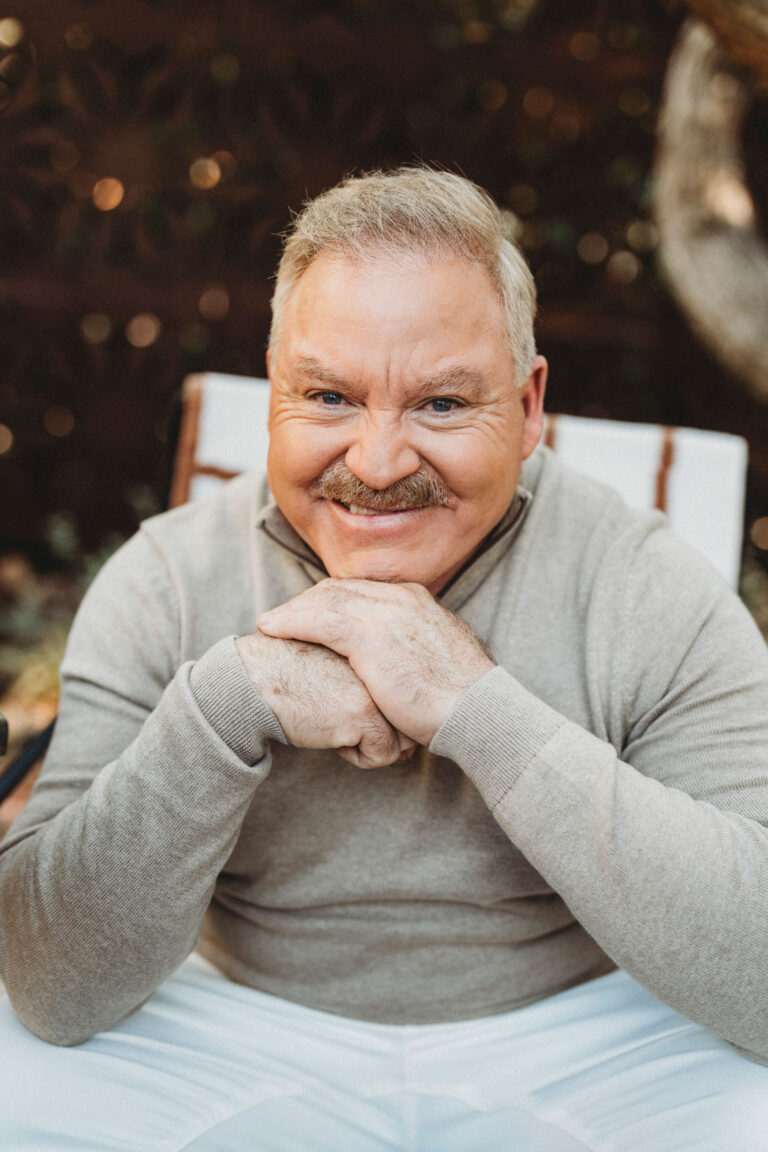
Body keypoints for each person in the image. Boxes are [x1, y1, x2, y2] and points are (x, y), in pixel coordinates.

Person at [1, 166, 768, 1152]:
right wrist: (227, 703)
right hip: (232, 1031)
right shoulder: (168, 580)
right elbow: (53, 984)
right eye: (327, 396)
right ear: (273, 393)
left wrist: (480, 710)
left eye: (443, 405)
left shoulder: (646, 583)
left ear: (529, 407)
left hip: (587, 1038)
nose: (375, 462)